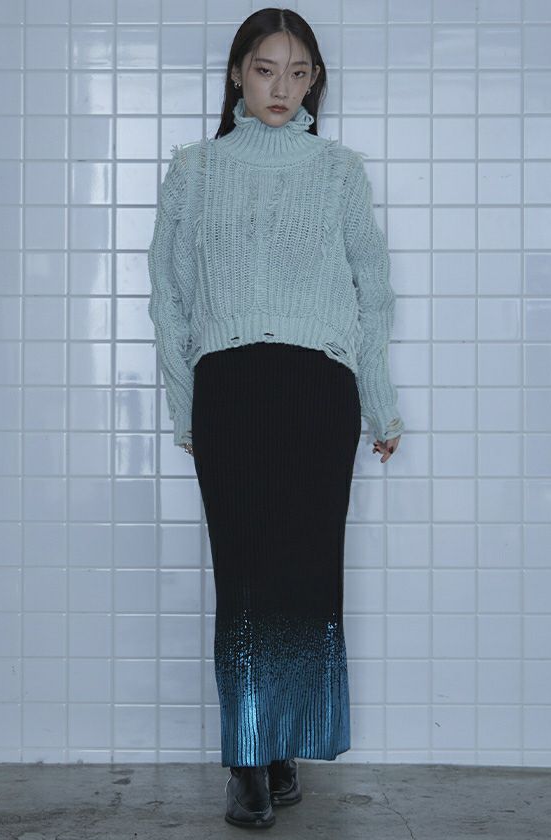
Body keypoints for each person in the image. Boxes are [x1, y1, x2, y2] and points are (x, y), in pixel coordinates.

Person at [147, 7, 404, 829]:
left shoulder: (337, 172)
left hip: (319, 391)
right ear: (237, 74)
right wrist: (185, 408)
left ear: (314, 80)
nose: (281, 88)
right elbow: (169, 298)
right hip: (229, 389)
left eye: (298, 73)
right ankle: (247, 762)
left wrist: (380, 402)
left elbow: (373, 293)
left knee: (305, 577)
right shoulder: (195, 171)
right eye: (265, 70)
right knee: (246, 579)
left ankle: (283, 742)